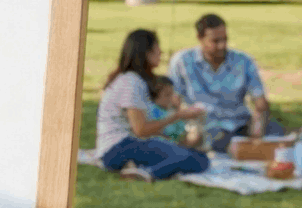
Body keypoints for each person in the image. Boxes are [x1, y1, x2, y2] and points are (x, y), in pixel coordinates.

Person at [97, 29, 210, 181]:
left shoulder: (130, 79)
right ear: (146, 54)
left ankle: (140, 168)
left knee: (192, 155)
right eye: (157, 49)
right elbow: (141, 130)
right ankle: (148, 173)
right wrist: (177, 116)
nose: (161, 53)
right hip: (119, 149)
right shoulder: (131, 82)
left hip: (120, 148)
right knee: (199, 160)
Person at [167, 13, 277, 153]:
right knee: (217, 141)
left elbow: (260, 102)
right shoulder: (182, 61)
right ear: (200, 39)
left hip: (242, 123)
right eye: (215, 41)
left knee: (277, 138)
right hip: (207, 125)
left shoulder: (243, 61)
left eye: (225, 39)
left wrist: (257, 127)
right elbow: (173, 102)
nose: (222, 45)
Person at [150, 75, 205, 150]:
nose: (171, 98)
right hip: (166, 148)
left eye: (172, 93)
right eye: (167, 95)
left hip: (180, 145)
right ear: (155, 97)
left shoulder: (172, 109)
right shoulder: (153, 111)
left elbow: (182, 133)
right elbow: (169, 134)